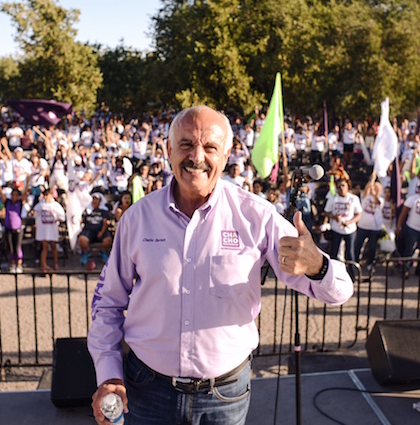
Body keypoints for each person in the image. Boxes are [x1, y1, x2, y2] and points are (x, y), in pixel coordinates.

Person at [88, 105, 353, 425]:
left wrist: (318, 266)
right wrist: (108, 375)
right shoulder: (137, 219)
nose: (197, 156)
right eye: (186, 144)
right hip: (146, 390)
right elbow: (108, 303)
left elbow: (340, 292)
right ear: (168, 150)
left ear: (227, 155)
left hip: (224, 397)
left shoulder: (256, 216)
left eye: (210, 147)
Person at [323, 178, 362, 269]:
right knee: (334, 253)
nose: (341, 188)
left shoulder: (353, 198)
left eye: (343, 185)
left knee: (350, 253)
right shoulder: (333, 198)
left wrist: (350, 222)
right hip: (336, 229)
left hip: (350, 230)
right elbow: (326, 212)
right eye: (339, 186)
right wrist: (334, 217)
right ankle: (333, 272)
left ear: (348, 187)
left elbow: (359, 214)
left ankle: (351, 273)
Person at [32, 188, 66, 273]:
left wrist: (58, 219)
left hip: (52, 229)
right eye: (45, 195)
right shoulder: (41, 205)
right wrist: (33, 213)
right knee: (45, 247)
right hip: (43, 229)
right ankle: (43, 264)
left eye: (47, 195)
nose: (46, 197)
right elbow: (35, 214)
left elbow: (62, 216)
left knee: (53, 246)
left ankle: (56, 263)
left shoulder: (56, 205)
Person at [354, 178, 384, 273]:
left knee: (372, 247)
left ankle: (370, 264)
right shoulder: (365, 197)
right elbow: (367, 187)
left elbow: (378, 203)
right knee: (358, 245)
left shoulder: (381, 199)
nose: (374, 189)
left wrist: (374, 194)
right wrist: (372, 179)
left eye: (377, 188)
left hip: (374, 228)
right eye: (374, 187)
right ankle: (355, 262)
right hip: (362, 226)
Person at [77, 193, 113, 265]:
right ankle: (86, 253)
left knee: (108, 239)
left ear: (100, 201)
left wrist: (102, 232)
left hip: (101, 230)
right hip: (88, 230)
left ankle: (103, 252)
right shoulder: (87, 210)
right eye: (93, 199)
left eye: (97, 199)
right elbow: (81, 220)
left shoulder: (104, 211)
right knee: (82, 239)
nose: (95, 201)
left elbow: (106, 222)